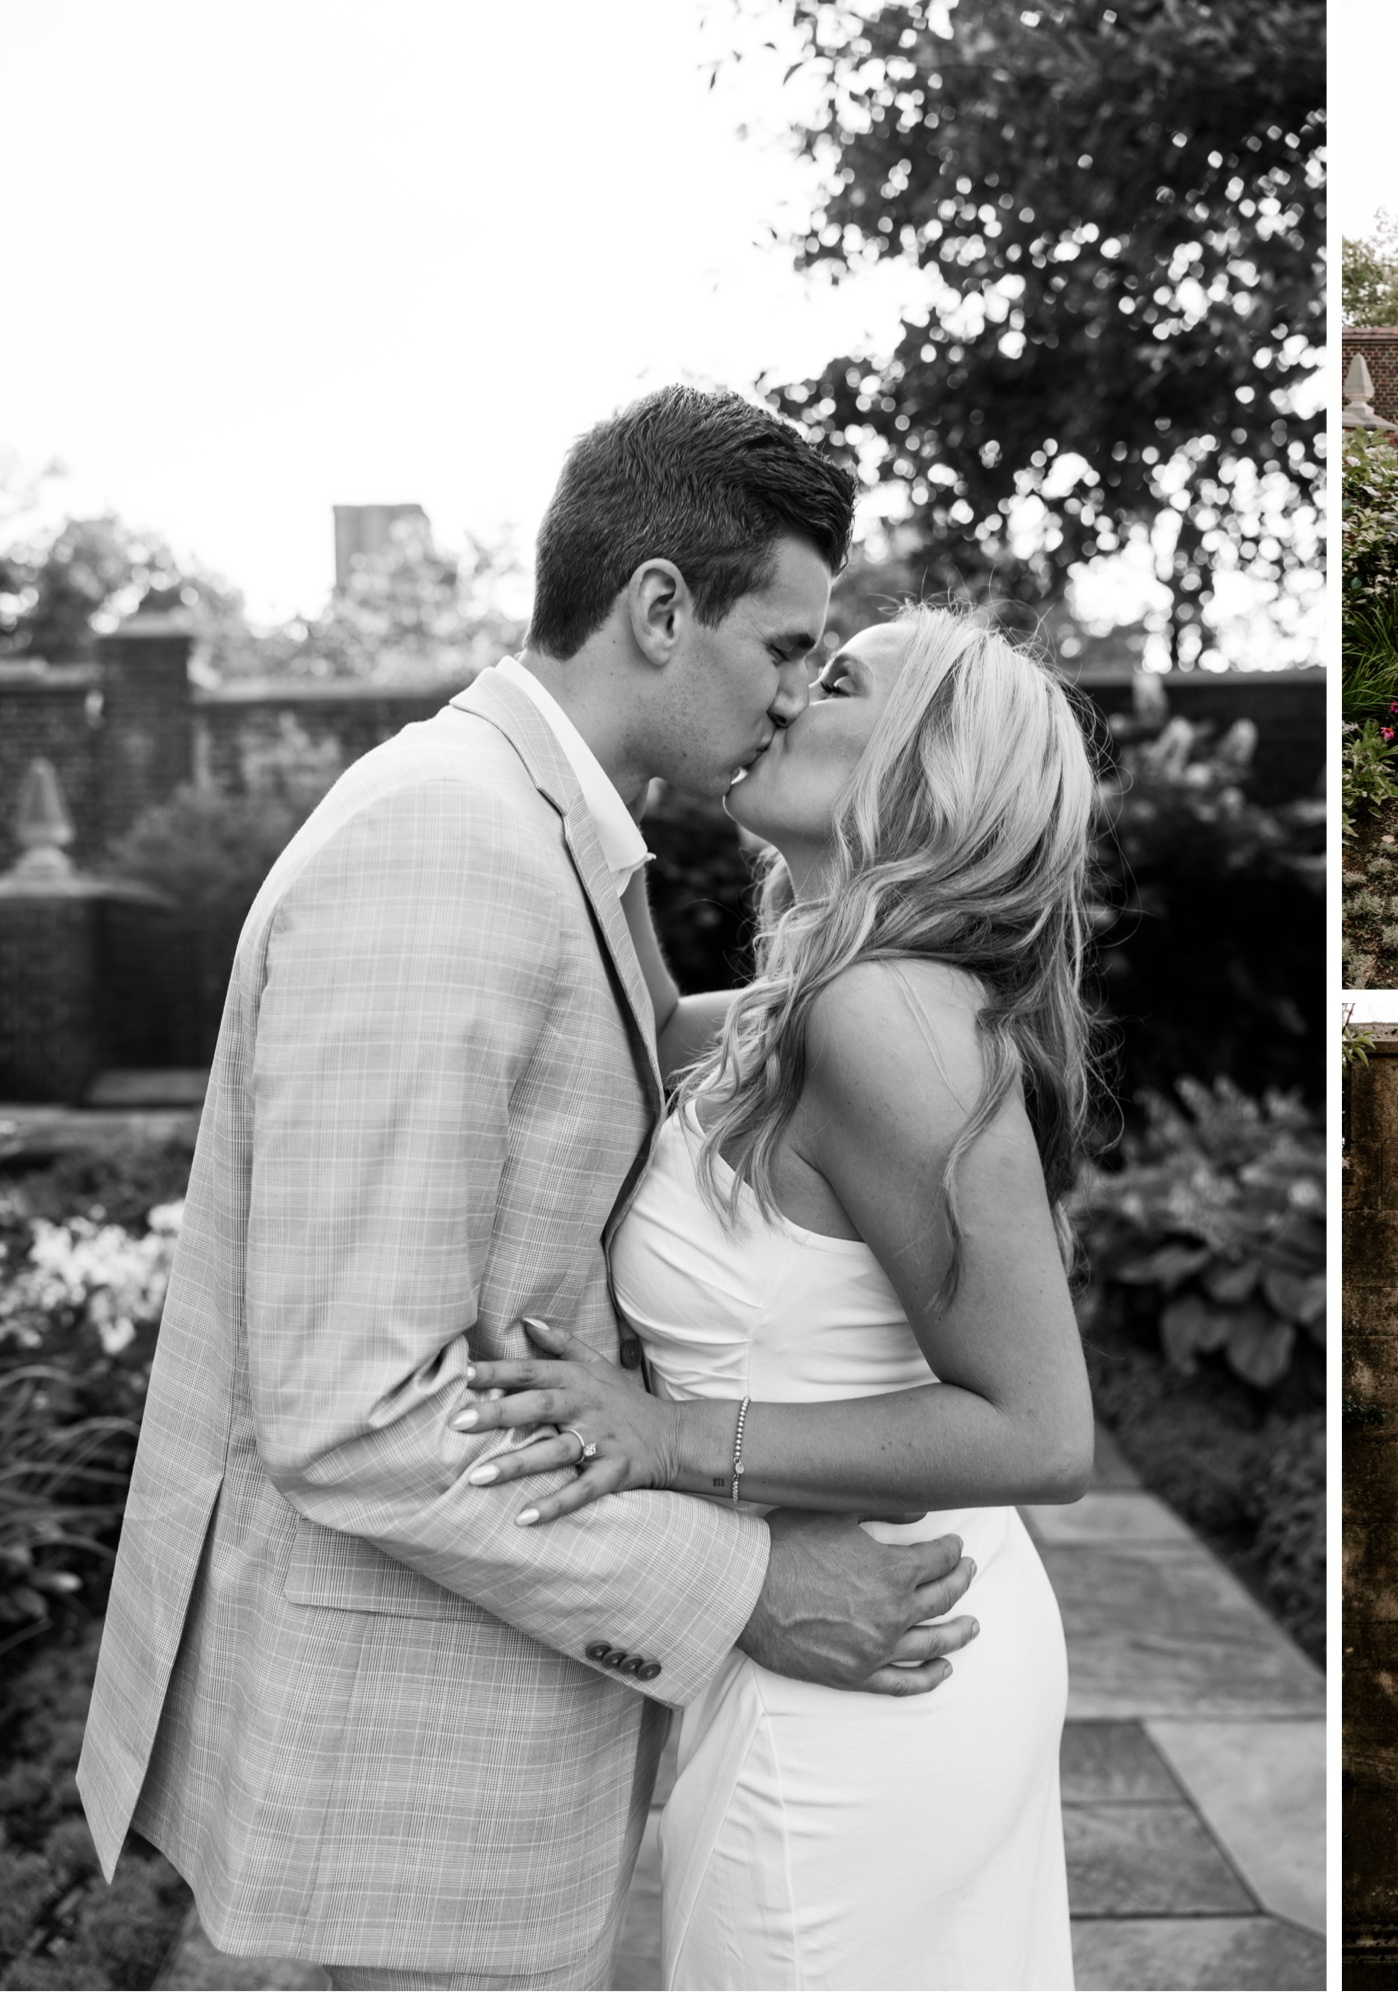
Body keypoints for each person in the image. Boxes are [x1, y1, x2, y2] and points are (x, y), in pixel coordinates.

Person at [76, 386, 987, 1992]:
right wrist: (748, 1583)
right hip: (413, 1793)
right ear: (656, 609)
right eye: (785, 648)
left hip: (485, 1751)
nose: (793, 699)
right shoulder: (448, 844)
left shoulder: (548, 832)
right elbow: (358, 1408)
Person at [449, 603, 1098, 1988]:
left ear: (930, 768)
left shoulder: (888, 1016)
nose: (788, 689)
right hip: (839, 1626)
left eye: (835, 675)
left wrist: (671, 1436)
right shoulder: (804, 997)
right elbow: (622, 1008)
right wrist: (607, 711)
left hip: (882, 1660)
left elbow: (1044, 1431)